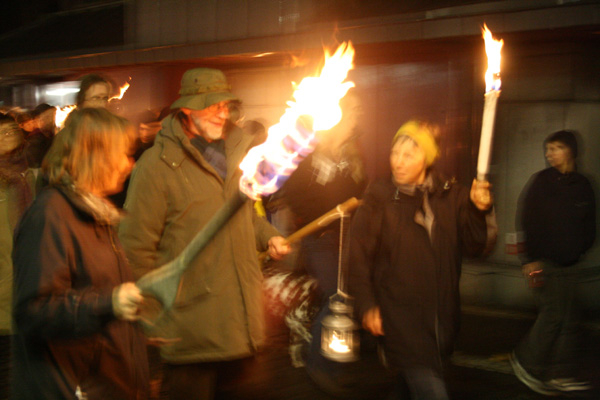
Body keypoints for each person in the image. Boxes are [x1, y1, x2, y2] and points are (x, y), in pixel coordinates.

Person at [118, 67, 290, 400]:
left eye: (225, 105)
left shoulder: (238, 155)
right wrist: (150, 317)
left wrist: (268, 234)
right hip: (190, 333)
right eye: (211, 106)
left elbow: (242, 215)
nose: (221, 114)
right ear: (187, 109)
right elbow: (135, 247)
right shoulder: (157, 166)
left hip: (240, 323)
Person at [348, 120, 496, 400]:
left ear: (426, 158)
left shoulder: (451, 195)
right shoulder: (380, 198)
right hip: (399, 318)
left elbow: (477, 246)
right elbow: (358, 255)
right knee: (428, 386)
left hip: (441, 319)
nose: (398, 162)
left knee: (409, 385)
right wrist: (366, 304)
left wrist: (479, 210)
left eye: (408, 155)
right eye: (395, 153)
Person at [11, 107, 149, 400]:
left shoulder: (95, 214)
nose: (130, 164)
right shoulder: (51, 215)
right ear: (96, 156)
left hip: (105, 385)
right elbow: (33, 311)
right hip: (72, 389)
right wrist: (108, 303)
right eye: (123, 154)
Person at [510, 130, 596, 396]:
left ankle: (560, 374)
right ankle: (526, 361)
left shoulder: (583, 184)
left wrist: (581, 247)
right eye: (548, 149)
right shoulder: (542, 182)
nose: (549, 154)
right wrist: (529, 259)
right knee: (553, 314)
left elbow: (590, 222)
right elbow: (526, 219)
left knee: (570, 320)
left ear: (571, 150)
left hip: (571, 263)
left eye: (556, 148)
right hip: (543, 263)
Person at [0, 114, 39, 399]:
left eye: (11, 130)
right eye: (0, 133)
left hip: (30, 288)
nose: (7, 135)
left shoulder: (31, 174)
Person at [23, 103, 57, 167]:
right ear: (37, 119)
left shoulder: (51, 135)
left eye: (53, 116)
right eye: (47, 117)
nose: (51, 120)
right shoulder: (35, 141)